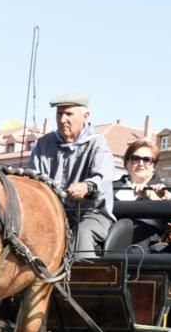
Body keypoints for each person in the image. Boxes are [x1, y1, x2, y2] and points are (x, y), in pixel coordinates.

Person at [29, 93, 115, 255]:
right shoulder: (44, 144)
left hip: (91, 214)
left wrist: (87, 186)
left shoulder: (97, 143)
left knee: (82, 232)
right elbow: (33, 179)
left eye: (68, 114)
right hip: (52, 213)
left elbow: (102, 176)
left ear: (85, 116)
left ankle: (83, 279)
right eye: (59, 114)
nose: (62, 120)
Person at [112, 139, 168, 249]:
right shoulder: (110, 188)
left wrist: (152, 196)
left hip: (145, 247)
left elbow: (169, 221)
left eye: (147, 160)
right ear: (127, 162)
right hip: (110, 242)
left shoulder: (163, 190)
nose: (141, 164)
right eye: (135, 159)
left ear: (153, 165)